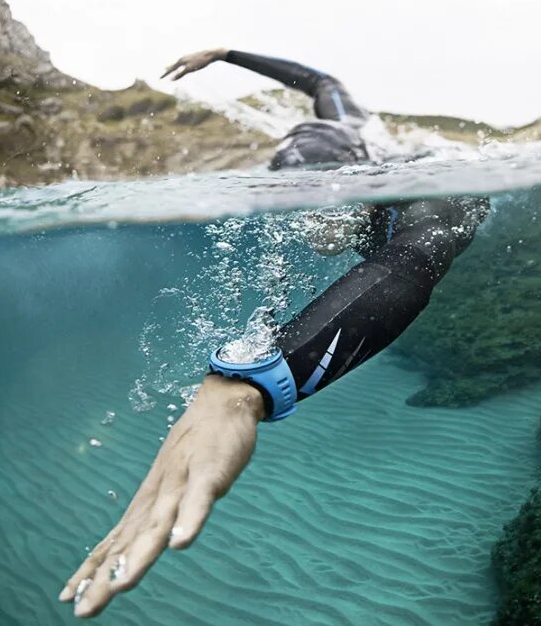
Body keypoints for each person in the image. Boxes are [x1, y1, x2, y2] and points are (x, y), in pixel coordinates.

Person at [59, 49, 489, 617]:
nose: (308, 223)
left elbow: (412, 261)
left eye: (323, 203)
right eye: (293, 203)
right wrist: (226, 53)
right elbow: (321, 79)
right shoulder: (342, 119)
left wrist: (246, 389)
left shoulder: (424, 195)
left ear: (359, 181)